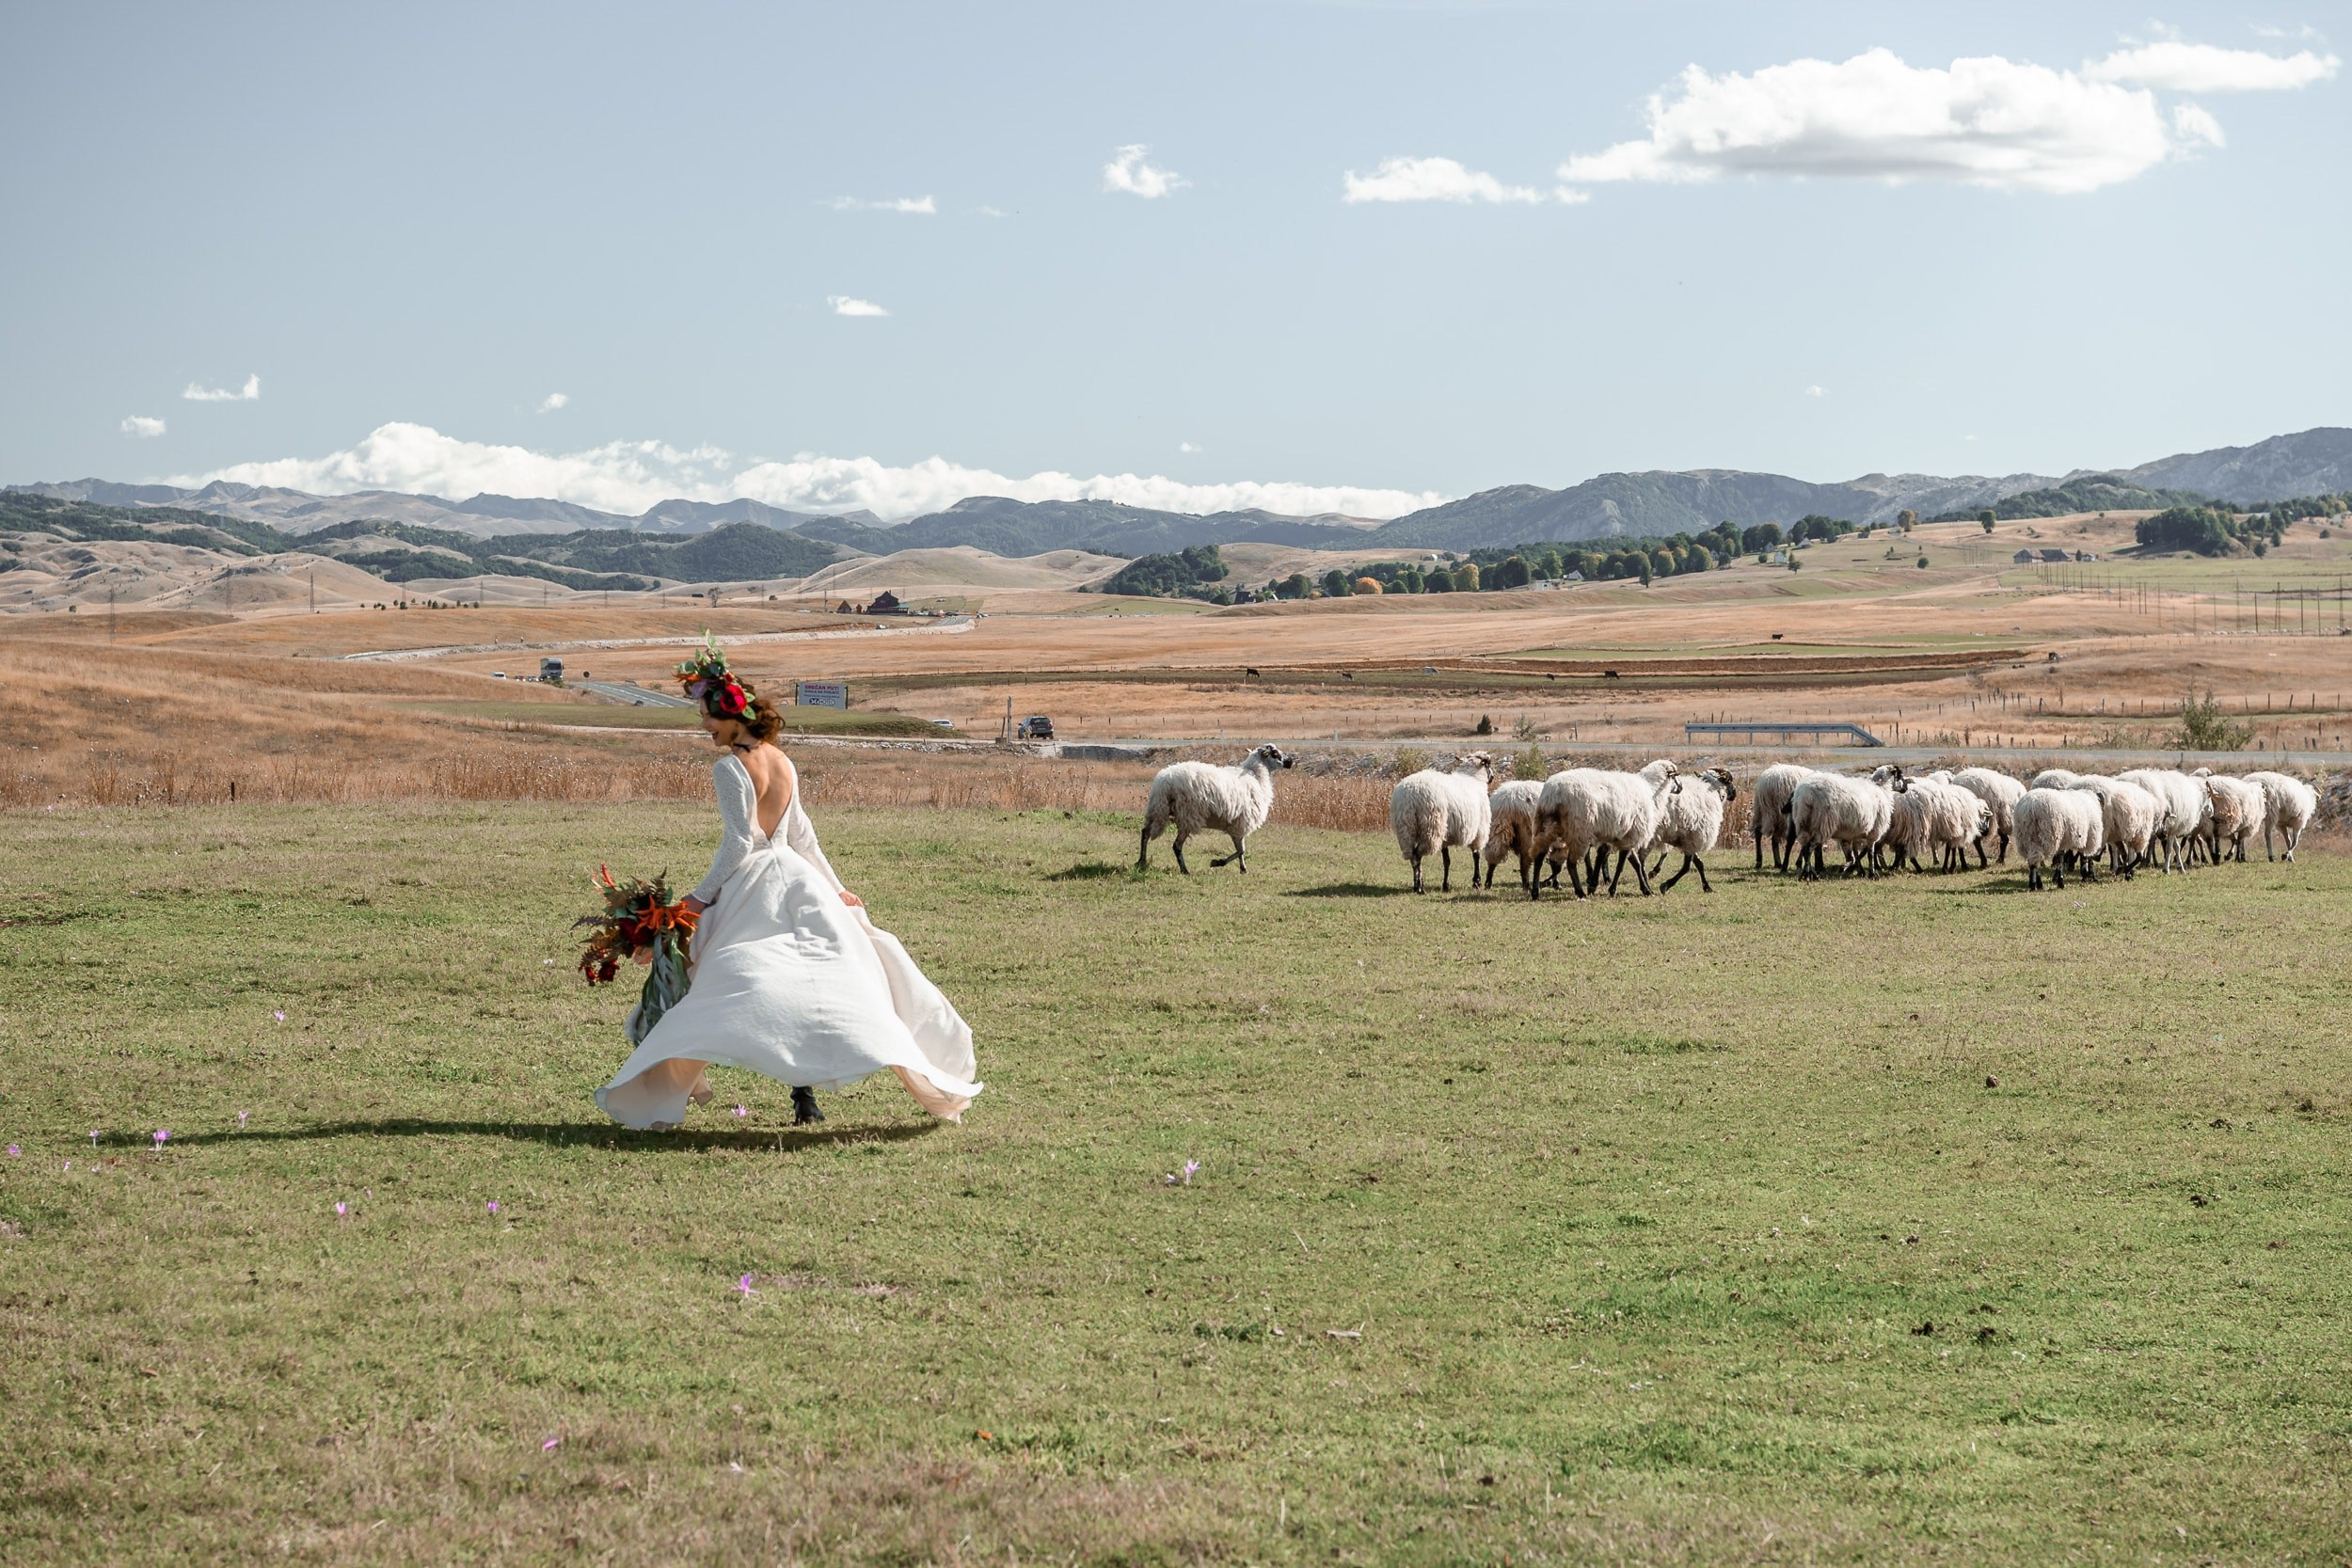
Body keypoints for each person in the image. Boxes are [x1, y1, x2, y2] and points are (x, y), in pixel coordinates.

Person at [594, 639, 980, 1130]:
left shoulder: (730, 767)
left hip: (754, 882)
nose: (704, 728)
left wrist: (696, 898)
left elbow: (738, 844)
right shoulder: (782, 761)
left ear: (731, 717)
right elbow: (802, 837)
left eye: (707, 718)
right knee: (809, 977)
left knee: (716, 977)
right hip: (798, 880)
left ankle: (670, 1079)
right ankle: (804, 1093)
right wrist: (835, 889)